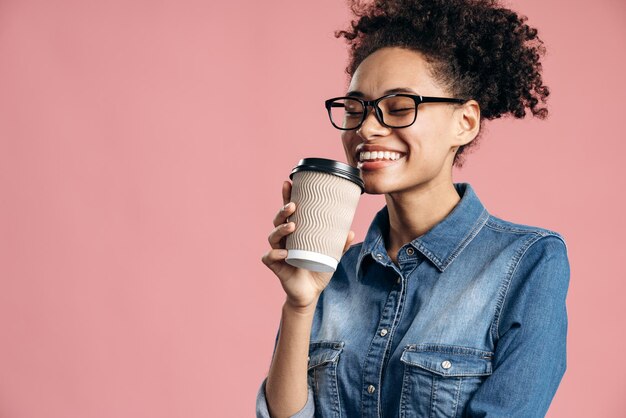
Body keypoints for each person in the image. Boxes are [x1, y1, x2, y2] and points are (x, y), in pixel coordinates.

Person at [256, 0, 570, 416]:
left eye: (400, 108)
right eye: (354, 110)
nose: (367, 128)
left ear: (466, 121)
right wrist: (299, 304)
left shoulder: (527, 263)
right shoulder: (330, 272)